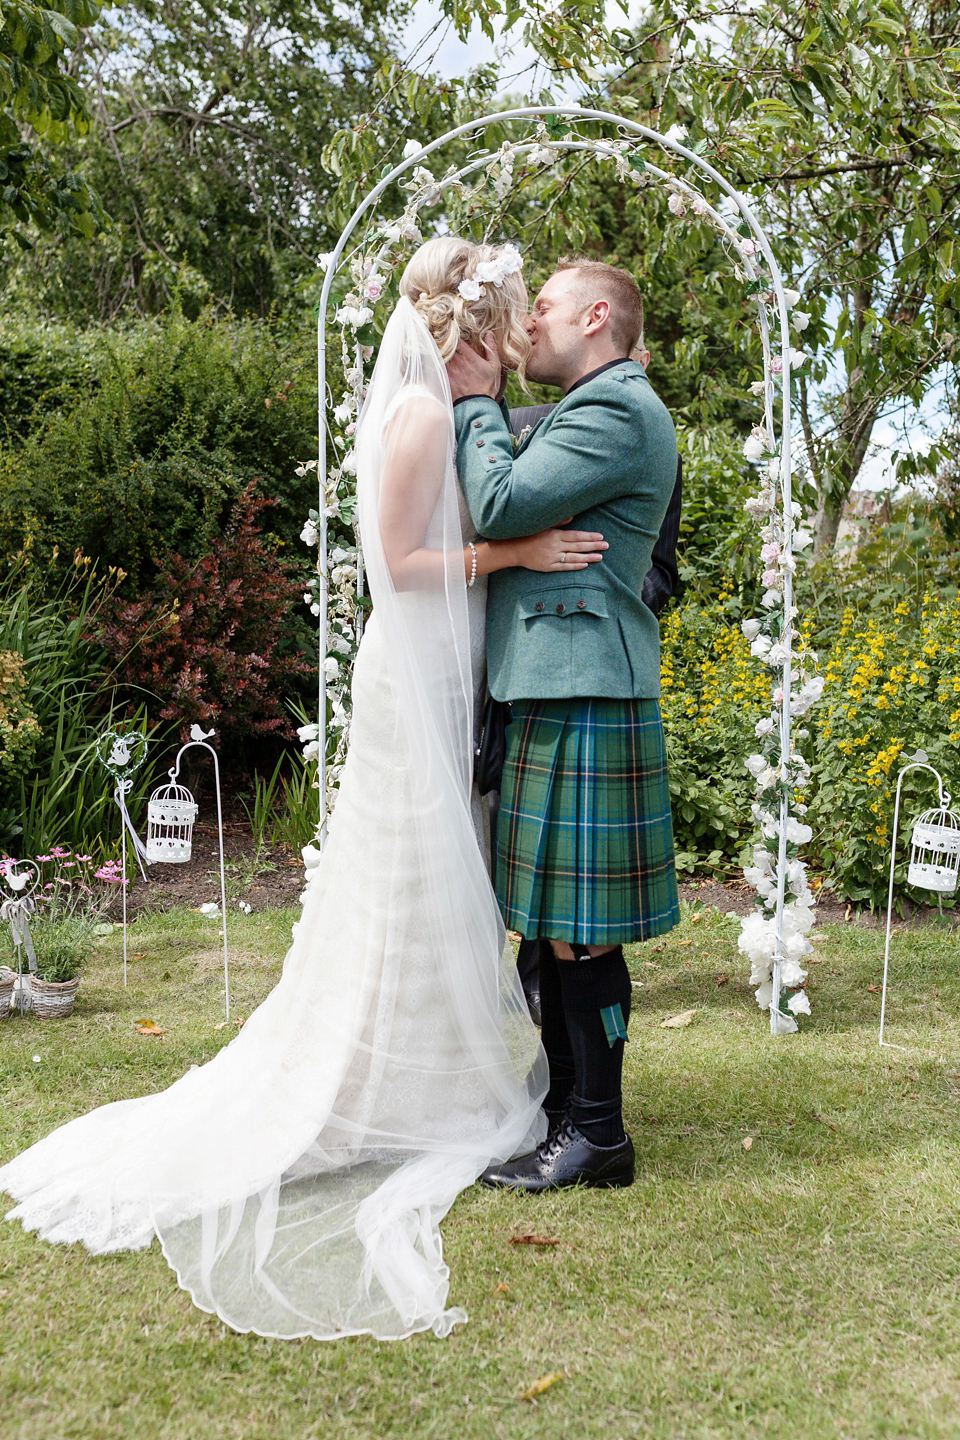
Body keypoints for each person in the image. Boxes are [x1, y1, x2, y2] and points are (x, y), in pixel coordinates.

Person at [0, 238, 604, 1342]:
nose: (520, 340)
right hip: (416, 660)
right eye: (509, 319)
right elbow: (399, 567)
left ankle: (417, 1073)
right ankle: (386, 1088)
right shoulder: (420, 417)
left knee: (437, 878)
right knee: (407, 877)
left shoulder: (449, 409)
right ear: (473, 325)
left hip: (449, 660)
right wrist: (512, 561)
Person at [448, 257, 681, 1193]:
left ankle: (599, 1135)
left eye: (541, 306)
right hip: (558, 683)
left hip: (587, 688)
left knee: (581, 933)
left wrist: (473, 400)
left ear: (595, 315)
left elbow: (499, 502)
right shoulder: (593, 406)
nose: (528, 321)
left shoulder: (614, 407)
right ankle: (564, 1120)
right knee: (552, 928)